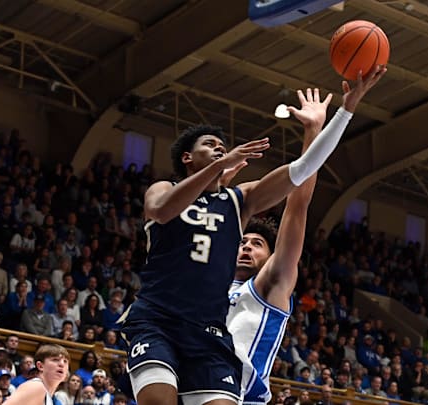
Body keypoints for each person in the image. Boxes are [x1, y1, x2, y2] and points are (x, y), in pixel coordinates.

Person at [120, 66, 386, 405]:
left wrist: (346, 110)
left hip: (208, 335)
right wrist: (218, 169)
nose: (219, 148)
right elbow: (160, 211)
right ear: (187, 157)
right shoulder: (163, 187)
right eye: (210, 145)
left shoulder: (239, 203)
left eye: (222, 146)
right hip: (159, 319)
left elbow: (302, 174)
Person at [5, 344, 69, 405]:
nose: (62, 364)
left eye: (65, 361)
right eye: (55, 360)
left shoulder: (52, 398)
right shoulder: (35, 386)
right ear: (40, 366)